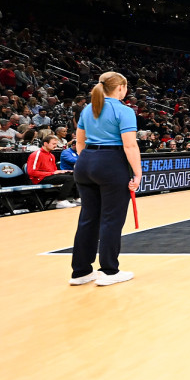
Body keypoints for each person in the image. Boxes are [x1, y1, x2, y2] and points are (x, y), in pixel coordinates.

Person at [70, 71, 141, 287]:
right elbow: (129, 145)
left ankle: (80, 272)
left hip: (86, 162)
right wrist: (137, 173)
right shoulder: (124, 110)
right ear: (121, 88)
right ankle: (109, 271)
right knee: (111, 218)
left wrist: (90, 162)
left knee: (88, 218)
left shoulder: (87, 109)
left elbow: (79, 143)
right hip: (111, 162)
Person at [26, 133, 79, 207]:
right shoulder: (36, 154)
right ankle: (61, 200)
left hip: (49, 176)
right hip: (39, 178)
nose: (55, 146)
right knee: (70, 179)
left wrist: (60, 172)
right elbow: (31, 172)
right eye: (53, 143)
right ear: (45, 143)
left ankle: (77, 198)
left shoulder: (51, 155)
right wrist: (51, 173)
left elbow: (53, 170)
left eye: (56, 144)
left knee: (75, 174)